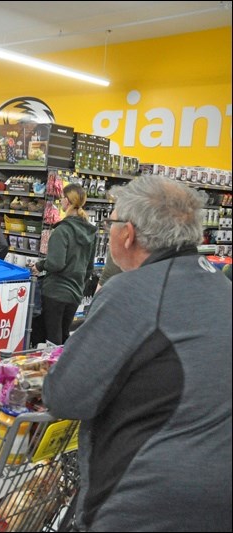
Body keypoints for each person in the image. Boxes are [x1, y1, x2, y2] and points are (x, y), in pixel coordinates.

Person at [43, 176, 232, 532]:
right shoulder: (220, 285)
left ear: (127, 233)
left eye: (111, 221)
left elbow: (66, 396)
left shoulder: (132, 292)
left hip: (144, 501)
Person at [31, 183, 96, 344]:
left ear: (68, 201)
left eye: (62, 199)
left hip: (55, 292)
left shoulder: (62, 231)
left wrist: (39, 265)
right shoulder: (90, 232)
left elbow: (56, 263)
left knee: (51, 338)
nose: (60, 202)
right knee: (64, 335)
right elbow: (89, 267)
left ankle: (52, 368)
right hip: (74, 293)